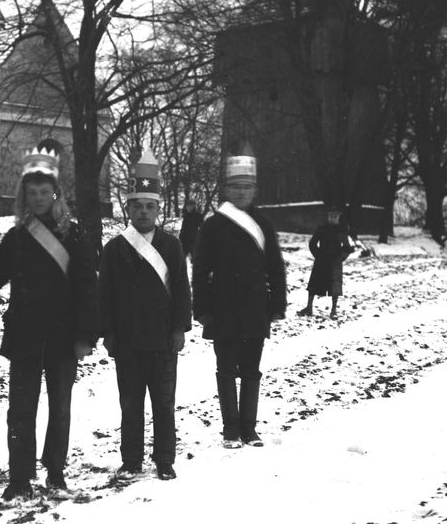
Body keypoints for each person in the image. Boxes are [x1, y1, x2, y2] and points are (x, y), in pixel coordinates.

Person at [0, 145, 98, 501]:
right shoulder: (16, 238)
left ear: (56, 194)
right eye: (32, 192)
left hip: (63, 335)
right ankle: (20, 477)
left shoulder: (74, 236)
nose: (39, 198)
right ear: (23, 195)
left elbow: (89, 289)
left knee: (59, 408)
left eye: (45, 192)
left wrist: (86, 335)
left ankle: (55, 472)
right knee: (20, 411)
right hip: (25, 335)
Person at [98, 149, 191, 480]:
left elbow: (181, 290)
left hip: (163, 340)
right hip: (127, 341)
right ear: (128, 209)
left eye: (149, 206)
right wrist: (108, 333)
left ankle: (165, 460)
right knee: (130, 405)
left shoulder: (171, 246)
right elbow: (104, 296)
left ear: (158, 209)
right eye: (136, 206)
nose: (143, 212)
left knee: (164, 405)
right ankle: (132, 459)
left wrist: (180, 328)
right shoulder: (114, 249)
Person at [192, 145, 287, 448]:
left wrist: (277, 305)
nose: (242, 192)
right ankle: (230, 428)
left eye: (247, 187)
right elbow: (200, 269)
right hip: (223, 309)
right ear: (226, 189)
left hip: (254, 308)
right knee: (225, 368)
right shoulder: (213, 225)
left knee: (251, 368)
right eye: (236, 187)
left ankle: (249, 427)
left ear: (254, 190)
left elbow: (275, 267)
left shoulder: (264, 225)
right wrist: (202, 309)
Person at [298, 207, 355, 318]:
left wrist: (340, 259)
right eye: (330, 216)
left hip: (335, 262)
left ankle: (333, 310)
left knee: (335, 287)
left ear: (338, 218)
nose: (332, 218)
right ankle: (309, 307)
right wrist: (318, 255)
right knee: (313, 284)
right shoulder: (322, 229)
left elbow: (347, 248)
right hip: (321, 260)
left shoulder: (342, 231)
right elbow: (312, 243)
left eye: (335, 216)